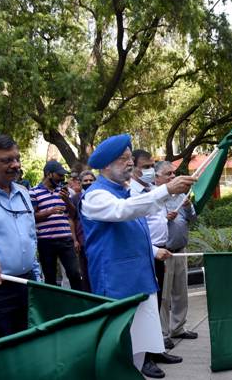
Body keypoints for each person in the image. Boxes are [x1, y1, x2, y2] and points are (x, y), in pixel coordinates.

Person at [79, 134, 195, 379]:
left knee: (141, 344)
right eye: (123, 159)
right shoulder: (96, 195)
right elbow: (123, 212)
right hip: (116, 282)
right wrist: (165, 190)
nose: (130, 163)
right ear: (106, 165)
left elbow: (135, 231)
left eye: (130, 157)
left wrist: (153, 250)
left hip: (140, 278)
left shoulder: (127, 192)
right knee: (120, 346)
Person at [129, 150, 183, 370]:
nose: (150, 170)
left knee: (158, 301)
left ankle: (156, 349)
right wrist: (152, 250)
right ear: (133, 167)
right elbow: (132, 230)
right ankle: (144, 359)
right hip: (145, 253)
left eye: (152, 166)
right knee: (146, 306)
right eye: (147, 166)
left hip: (160, 251)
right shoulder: (131, 193)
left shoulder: (151, 190)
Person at [0, 134, 42, 339]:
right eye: (7, 160)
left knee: (26, 341)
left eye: (17, 158)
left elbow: (31, 237)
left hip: (27, 285)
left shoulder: (23, 193)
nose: (16, 165)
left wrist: (37, 276)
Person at [155, 161, 198, 348]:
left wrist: (188, 207)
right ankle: (163, 334)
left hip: (181, 250)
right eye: (168, 174)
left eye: (173, 173)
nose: (173, 177)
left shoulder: (181, 194)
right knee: (163, 296)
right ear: (156, 177)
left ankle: (178, 328)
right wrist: (164, 219)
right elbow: (148, 224)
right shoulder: (153, 197)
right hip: (164, 252)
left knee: (181, 292)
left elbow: (193, 219)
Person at [28, 161, 83, 290]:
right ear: (49, 174)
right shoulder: (34, 192)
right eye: (59, 175)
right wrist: (50, 211)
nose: (62, 178)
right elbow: (32, 217)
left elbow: (73, 214)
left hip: (65, 239)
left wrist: (67, 200)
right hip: (46, 242)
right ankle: (53, 307)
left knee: (75, 273)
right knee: (50, 277)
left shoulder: (64, 191)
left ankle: (79, 302)